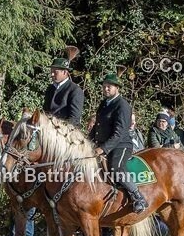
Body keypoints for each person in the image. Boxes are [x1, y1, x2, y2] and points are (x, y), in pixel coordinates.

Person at [89, 73, 148, 214]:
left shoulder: (123, 105)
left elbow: (119, 133)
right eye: (104, 86)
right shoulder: (103, 104)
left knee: (115, 168)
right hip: (103, 144)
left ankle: (137, 197)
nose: (106, 89)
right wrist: (87, 142)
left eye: (109, 86)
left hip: (121, 145)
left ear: (117, 88)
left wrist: (102, 149)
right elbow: (97, 126)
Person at [43, 56, 85, 126]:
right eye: (51, 71)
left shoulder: (75, 90)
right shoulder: (50, 88)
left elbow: (74, 119)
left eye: (55, 72)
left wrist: (57, 128)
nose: (52, 74)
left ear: (65, 72)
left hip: (65, 132)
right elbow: (45, 111)